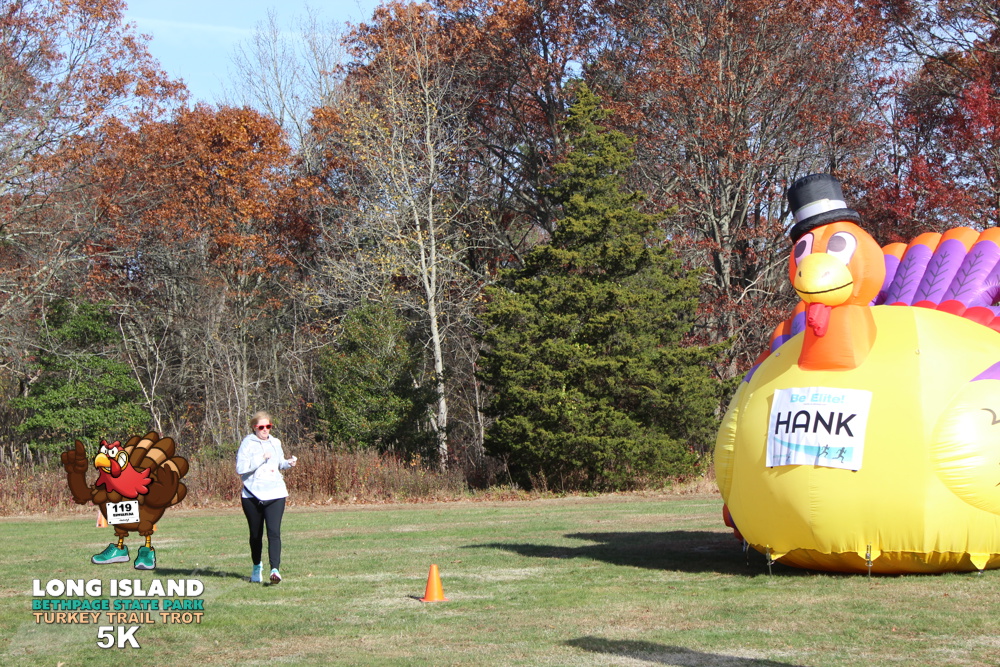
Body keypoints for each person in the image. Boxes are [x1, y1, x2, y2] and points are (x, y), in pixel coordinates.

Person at [236, 411, 297, 584]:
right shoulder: (248, 443)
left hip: (276, 493)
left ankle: (275, 570)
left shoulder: (275, 442)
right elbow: (241, 468)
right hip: (252, 495)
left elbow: (279, 463)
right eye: (261, 427)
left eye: (268, 426)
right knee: (256, 534)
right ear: (254, 428)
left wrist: (288, 463)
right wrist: (260, 458)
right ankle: (257, 567)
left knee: (274, 532)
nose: (265, 430)